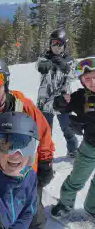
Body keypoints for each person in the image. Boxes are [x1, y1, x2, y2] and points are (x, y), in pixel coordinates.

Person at [0, 56, 55, 229]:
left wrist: (45, 162)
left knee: (34, 217)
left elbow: (43, 134)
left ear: (5, 82)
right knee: (0, 217)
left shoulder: (24, 106)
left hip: (25, 173)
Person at [51, 57, 95, 219]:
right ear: (82, 81)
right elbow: (59, 105)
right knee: (77, 179)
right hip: (90, 147)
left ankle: (92, 208)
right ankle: (65, 204)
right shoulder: (80, 96)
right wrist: (62, 101)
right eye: (87, 79)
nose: (92, 82)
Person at [36, 28, 78, 158]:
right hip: (45, 102)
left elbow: (75, 75)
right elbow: (40, 66)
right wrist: (46, 65)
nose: (57, 47)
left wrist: (66, 67)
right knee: (45, 131)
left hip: (63, 101)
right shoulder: (43, 58)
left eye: (60, 44)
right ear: (50, 44)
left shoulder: (70, 61)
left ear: (64, 45)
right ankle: (45, 155)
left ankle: (73, 150)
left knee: (67, 128)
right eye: (54, 43)